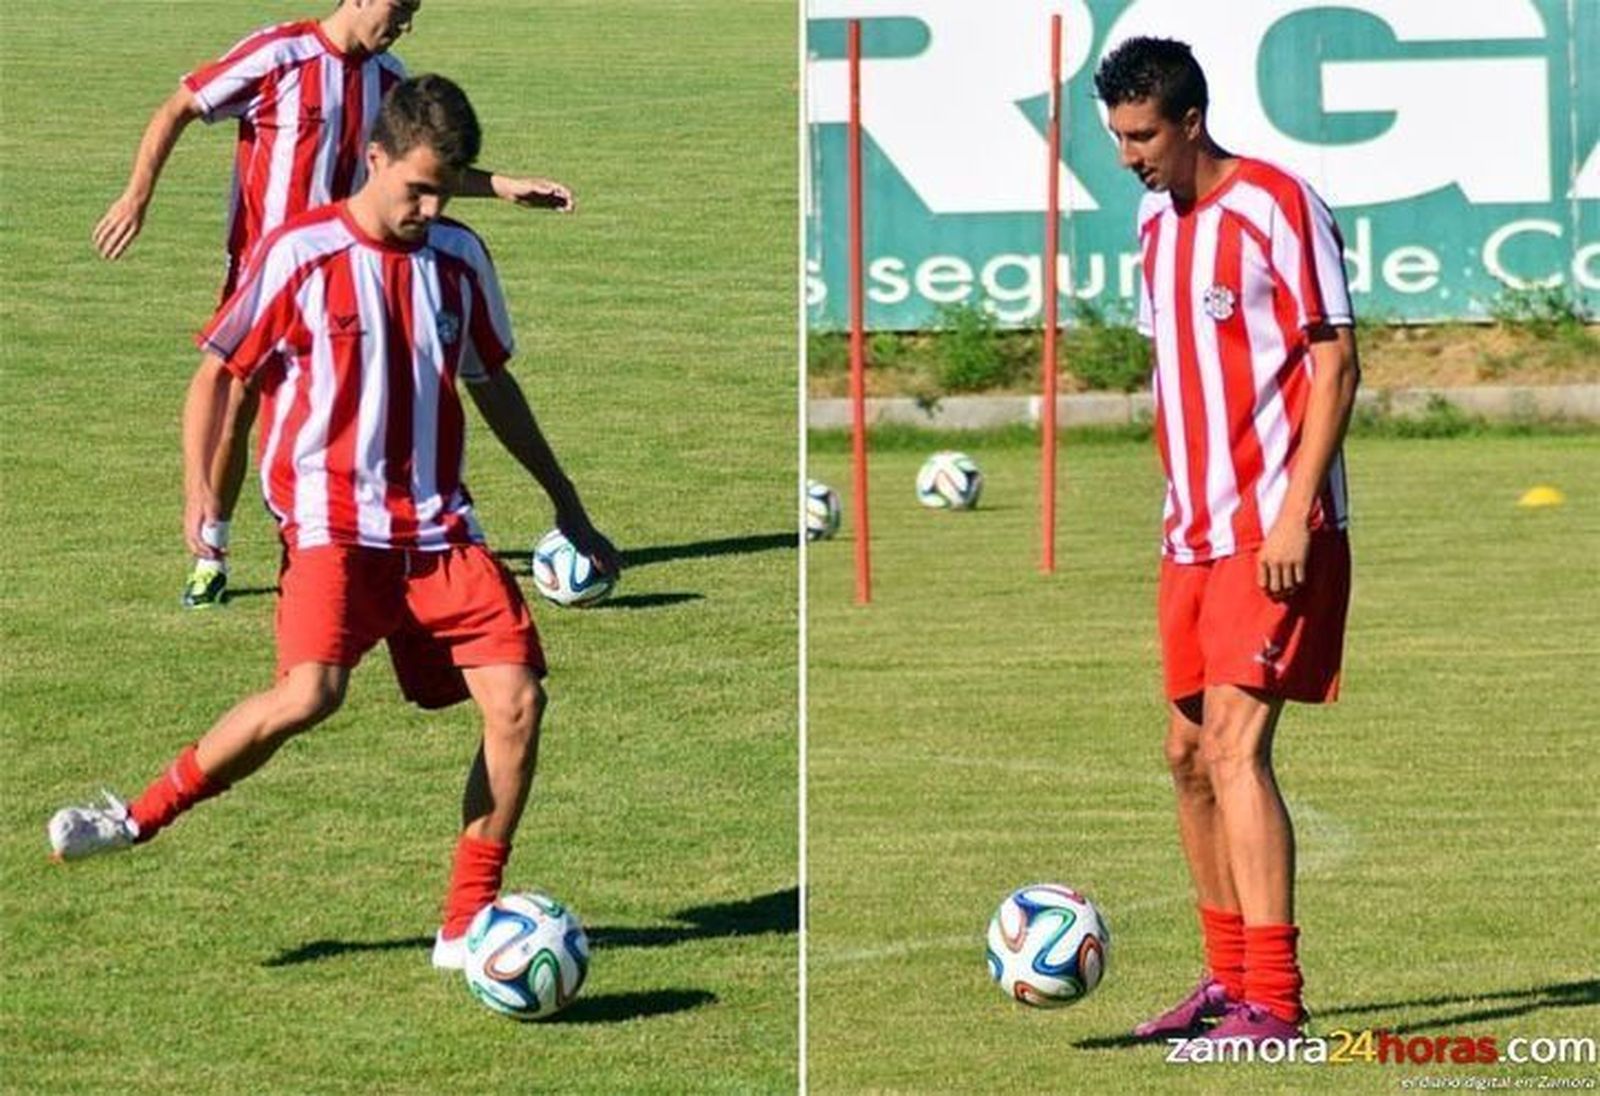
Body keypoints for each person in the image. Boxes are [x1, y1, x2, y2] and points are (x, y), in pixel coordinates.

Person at [50, 73, 619, 972]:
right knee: (310, 694)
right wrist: (199, 489)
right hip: (331, 527)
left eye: (446, 191)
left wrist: (567, 502)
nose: (430, 209)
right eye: (417, 189)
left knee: (518, 703)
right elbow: (219, 373)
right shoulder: (300, 252)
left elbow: (492, 383)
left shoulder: (460, 259)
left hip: (440, 529)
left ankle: (465, 922)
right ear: (376, 158)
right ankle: (135, 818)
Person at [93, 0, 575, 609]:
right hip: (267, 278)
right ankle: (210, 550)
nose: (404, 26)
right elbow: (179, 106)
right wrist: (136, 197)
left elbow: (418, 170)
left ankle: (357, 538)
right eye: (399, 9)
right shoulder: (280, 54)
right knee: (236, 403)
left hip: (348, 281)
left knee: (356, 410)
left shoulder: (391, 80)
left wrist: (503, 186)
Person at [1095, 37, 1360, 1044]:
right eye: (1119, 137)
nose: (1129, 156)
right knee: (1187, 755)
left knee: (1237, 748)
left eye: (1143, 135)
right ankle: (1227, 978)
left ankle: (1275, 1003)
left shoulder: (1277, 205)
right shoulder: (1152, 223)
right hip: (1191, 533)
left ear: (1191, 121)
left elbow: (1337, 364)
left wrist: (1294, 512)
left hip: (1272, 530)